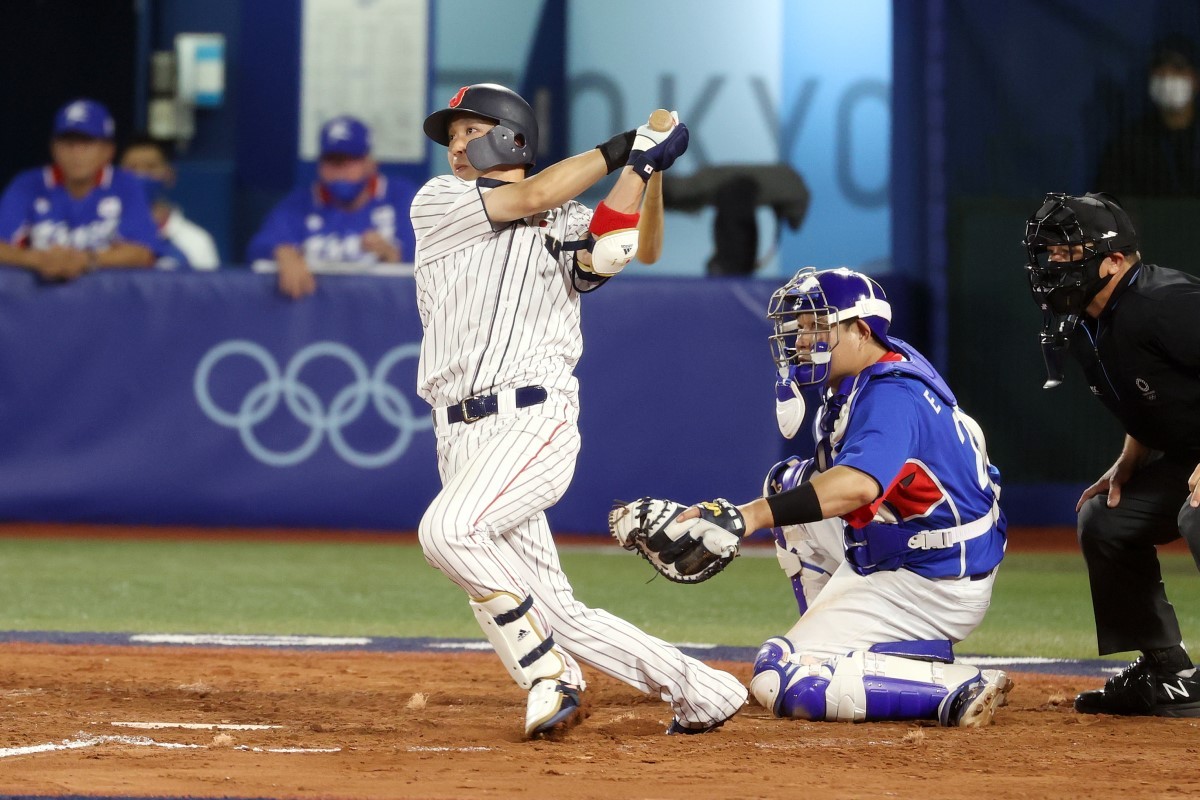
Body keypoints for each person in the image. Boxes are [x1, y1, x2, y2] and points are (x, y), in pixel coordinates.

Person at [411, 83, 745, 739]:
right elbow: (532, 196)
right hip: (457, 434)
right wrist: (627, 147)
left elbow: (617, 251)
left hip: (533, 419)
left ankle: (549, 675)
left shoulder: (564, 219)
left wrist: (642, 171)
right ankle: (702, 690)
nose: (455, 145)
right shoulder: (439, 201)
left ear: (510, 134)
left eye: (468, 131)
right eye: (451, 136)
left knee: (448, 532)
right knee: (556, 608)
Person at [665, 267, 1012, 727]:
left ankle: (958, 685)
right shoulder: (868, 373)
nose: (803, 340)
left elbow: (858, 485)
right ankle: (840, 649)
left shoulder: (891, 394)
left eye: (817, 326)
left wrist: (745, 518)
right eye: (801, 327)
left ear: (861, 331)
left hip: (934, 581)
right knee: (787, 484)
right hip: (909, 549)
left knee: (781, 680)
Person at [1024, 191, 1200, 717]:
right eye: (1049, 254)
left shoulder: (1166, 303)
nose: (1054, 264)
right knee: (1105, 518)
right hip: (1186, 457)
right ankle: (1168, 672)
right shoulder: (1085, 324)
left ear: (1115, 260)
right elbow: (1151, 402)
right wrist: (1129, 460)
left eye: (1067, 253)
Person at [247, 115, 418, 299]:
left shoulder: (400, 197)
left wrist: (394, 256)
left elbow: (434, 258)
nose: (340, 171)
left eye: (349, 160)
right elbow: (260, 246)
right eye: (332, 161)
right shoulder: (302, 203)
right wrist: (282, 252)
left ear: (370, 162)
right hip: (319, 316)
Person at [0, 98, 157, 280]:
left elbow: (142, 253)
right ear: (54, 148)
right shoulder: (28, 184)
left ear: (108, 150)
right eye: (68, 143)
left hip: (108, 302)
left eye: (87, 143)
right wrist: (37, 260)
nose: (76, 153)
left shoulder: (126, 185)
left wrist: (85, 260)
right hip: (37, 303)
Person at [1095, 37, 1200, 196]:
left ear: (1195, 79)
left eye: (1178, 67)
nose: (1167, 76)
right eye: (1159, 68)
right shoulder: (1130, 143)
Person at [119, 134, 220, 270]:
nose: (140, 175)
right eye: (132, 168)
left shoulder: (196, 241)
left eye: (151, 167)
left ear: (169, 174)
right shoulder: (100, 235)